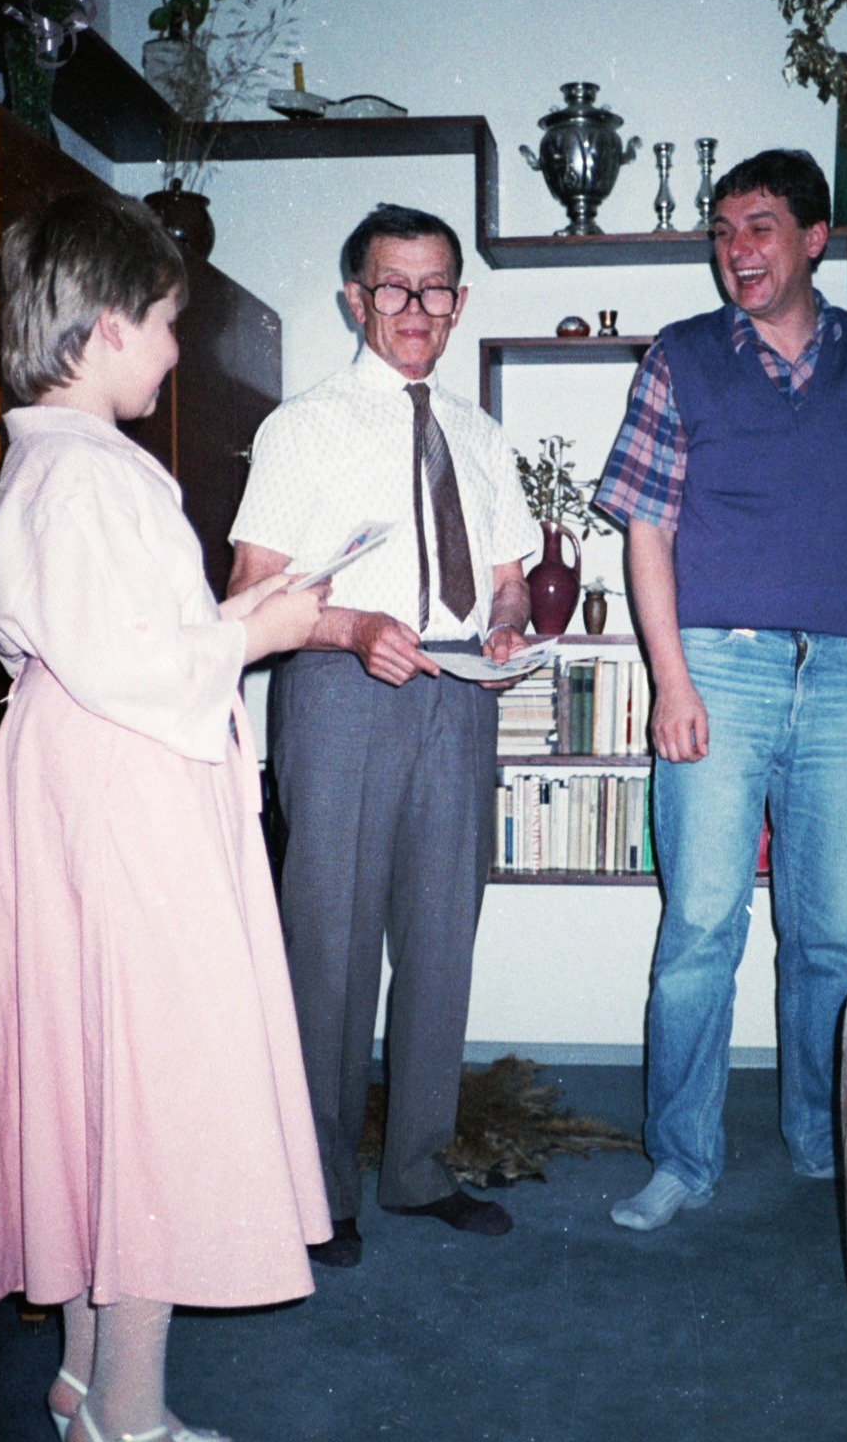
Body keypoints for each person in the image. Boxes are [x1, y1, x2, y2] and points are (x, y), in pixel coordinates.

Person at [0, 193, 333, 1442]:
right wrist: (261, 630)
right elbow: (144, 669)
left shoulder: (46, 462)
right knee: (149, 1085)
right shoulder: (95, 476)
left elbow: (118, 643)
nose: (179, 350)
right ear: (100, 327)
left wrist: (234, 626)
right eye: (166, 323)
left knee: (93, 1075)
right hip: (126, 787)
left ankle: (86, 1382)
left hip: (80, 775)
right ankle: (128, 1414)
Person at [595, 148, 847, 1231]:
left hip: (843, 675)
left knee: (823, 936)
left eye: (757, 226)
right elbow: (646, 528)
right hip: (717, 663)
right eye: (721, 230)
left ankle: (817, 1133)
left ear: (813, 237)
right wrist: (669, 677)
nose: (735, 250)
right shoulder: (680, 358)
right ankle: (681, 1158)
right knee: (701, 925)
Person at [228, 202, 539, 1264]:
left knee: (443, 944)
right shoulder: (301, 427)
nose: (415, 308)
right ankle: (320, 1192)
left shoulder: (483, 436)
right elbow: (247, 595)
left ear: (459, 302)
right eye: (393, 287)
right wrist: (355, 627)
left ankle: (415, 1170)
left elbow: (505, 582)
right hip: (338, 695)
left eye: (436, 287)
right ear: (355, 299)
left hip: (457, 700)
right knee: (330, 952)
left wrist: (504, 630)